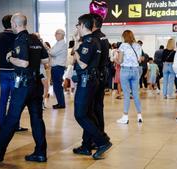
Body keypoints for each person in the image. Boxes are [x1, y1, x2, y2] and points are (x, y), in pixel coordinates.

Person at [0, 13, 49, 163]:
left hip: (23, 85)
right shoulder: (35, 38)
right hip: (36, 84)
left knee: (11, 118)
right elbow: (46, 59)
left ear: (15, 24)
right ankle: (40, 153)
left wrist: (10, 58)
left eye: (12, 23)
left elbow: (23, 63)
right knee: (37, 119)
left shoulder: (20, 39)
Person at [72, 14, 112, 160]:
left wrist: (76, 50)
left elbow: (82, 63)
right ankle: (88, 145)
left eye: (78, 25)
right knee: (89, 113)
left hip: (87, 80)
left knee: (81, 114)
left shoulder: (90, 41)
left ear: (83, 25)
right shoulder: (98, 38)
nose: (76, 27)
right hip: (93, 79)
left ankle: (102, 141)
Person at [0, 15, 27, 131]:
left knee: (3, 98)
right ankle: (15, 125)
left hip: (2, 70)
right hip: (15, 71)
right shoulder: (17, 36)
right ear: (13, 23)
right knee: (15, 100)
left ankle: (2, 124)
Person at [115, 30, 143, 124]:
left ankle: (125, 117)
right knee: (136, 94)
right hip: (135, 70)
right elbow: (139, 60)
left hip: (125, 70)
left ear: (124, 37)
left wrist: (115, 59)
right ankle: (139, 116)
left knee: (126, 94)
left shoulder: (123, 46)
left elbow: (120, 61)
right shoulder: (138, 46)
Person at [91, 13, 110, 140]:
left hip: (96, 74)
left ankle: (96, 137)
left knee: (92, 108)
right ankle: (101, 133)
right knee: (98, 106)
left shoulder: (94, 38)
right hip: (103, 73)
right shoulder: (103, 37)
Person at [47, 29, 67, 109]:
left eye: (57, 34)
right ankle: (60, 103)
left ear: (61, 35)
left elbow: (52, 52)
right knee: (56, 86)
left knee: (57, 86)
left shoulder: (61, 44)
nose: (55, 35)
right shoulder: (58, 43)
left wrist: (46, 47)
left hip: (58, 67)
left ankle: (61, 104)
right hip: (56, 67)